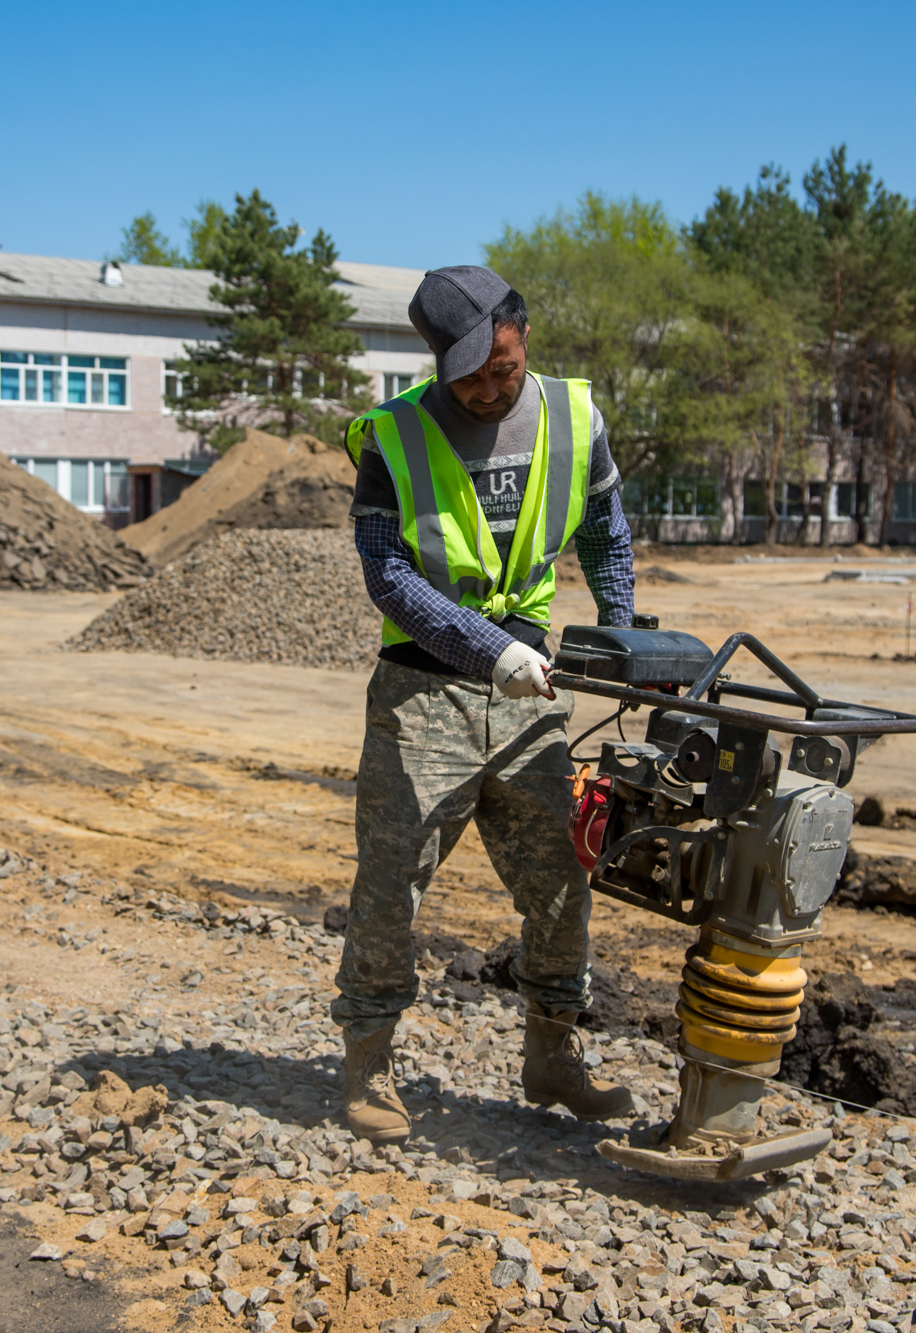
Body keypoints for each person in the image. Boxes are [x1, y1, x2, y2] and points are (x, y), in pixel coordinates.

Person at [333, 265, 638, 1143]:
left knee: (562, 879)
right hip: (424, 689)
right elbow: (388, 575)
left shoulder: (574, 417)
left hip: (530, 689)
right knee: (390, 880)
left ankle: (552, 1055)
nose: (487, 388)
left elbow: (605, 533)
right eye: (467, 375)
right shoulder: (392, 437)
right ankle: (367, 1062)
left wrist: (622, 637)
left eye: (501, 368)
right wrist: (485, 649)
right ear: (437, 360)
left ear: (523, 336)